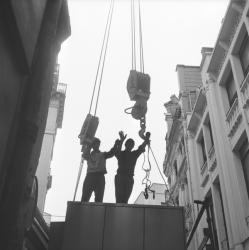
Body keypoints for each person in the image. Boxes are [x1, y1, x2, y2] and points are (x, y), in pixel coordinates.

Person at [114, 131, 150, 203]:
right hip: (120, 177)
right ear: (126, 145)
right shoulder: (121, 154)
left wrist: (146, 139)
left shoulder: (134, 154)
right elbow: (117, 151)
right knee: (119, 199)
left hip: (129, 178)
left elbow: (141, 147)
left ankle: (123, 212)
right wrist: (121, 140)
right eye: (129, 144)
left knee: (125, 199)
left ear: (133, 146)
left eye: (132, 144)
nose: (130, 145)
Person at [81, 137, 118, 202]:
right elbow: (84, 155)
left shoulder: (102, 154)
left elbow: (111, 153)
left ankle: (97, 211)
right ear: (92, 145)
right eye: (94, 144)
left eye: (98, 144)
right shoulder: (88, 155)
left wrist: (116, 144)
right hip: (90, 176)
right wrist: (89, 145)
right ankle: (82, 211)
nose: (96, 145)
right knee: (85, 198)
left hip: (99, 177)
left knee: (99, 199)